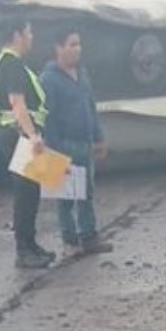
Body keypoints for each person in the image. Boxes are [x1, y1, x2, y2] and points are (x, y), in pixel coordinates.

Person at [0, 16, 56, 268]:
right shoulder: (12, 65)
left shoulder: (5, 63)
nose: (31, 37)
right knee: (25, 193)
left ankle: (31, 244)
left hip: (16, 133)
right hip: (18, 134)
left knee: (32, 191)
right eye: (28, 31)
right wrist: (32, 136)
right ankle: (24, 250)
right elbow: (18, 103)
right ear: (17, 35)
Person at [40, 28, 114, 255]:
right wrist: (54, 149)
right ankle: (70, 240)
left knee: (87, 193)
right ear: (59, 48)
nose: (77, 49)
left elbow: (90, 106)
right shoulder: (49, 79)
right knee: (65, 197)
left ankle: (89, 237)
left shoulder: (82, 74)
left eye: (78, 44)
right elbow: (47, 117)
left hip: (84, 143)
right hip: (63, 144)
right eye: (72, 44)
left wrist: (99, 137)